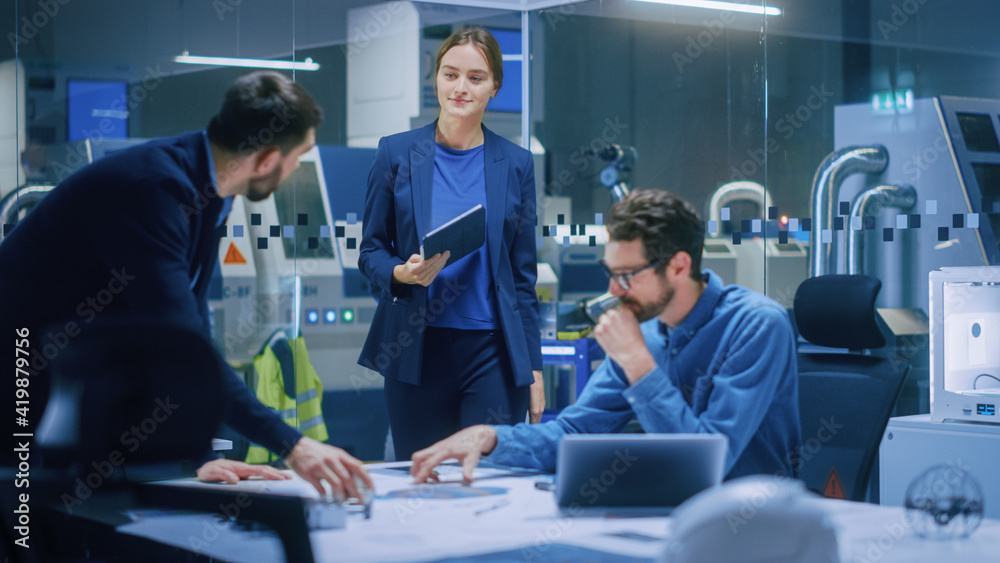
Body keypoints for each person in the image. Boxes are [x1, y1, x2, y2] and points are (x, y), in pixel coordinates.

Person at [0, 71, 371, 498]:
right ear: (268, 159)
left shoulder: (211, 189)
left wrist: (200, 456)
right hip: (21, 367)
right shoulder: (153, 189)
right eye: (297, 157)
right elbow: (182, 342)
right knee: (25, 516)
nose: (293, 170)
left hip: (71, 368)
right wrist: (294, 445)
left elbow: (192, 325)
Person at [410, 189, 801, 482]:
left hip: (750, 527)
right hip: (669, 516)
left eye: (627, 276)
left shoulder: (757, 325)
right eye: (610, 273)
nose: (613, 291)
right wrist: (490, 437)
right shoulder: (645, 330)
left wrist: (638, 365)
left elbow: (707, 465)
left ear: (679, 266)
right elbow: (575, 431)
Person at [358, 27, 544, 461]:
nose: (461, 88)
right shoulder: (395, 153)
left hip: (493, 355)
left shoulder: (516, 164)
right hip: (416, 350)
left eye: (476, 78)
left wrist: (533, 366)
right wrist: (400, 273)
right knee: (422, 479)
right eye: (450, 74)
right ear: (436, 78)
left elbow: (522, 278)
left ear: (495, 86)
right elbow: (370, 251)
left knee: (490, 479)